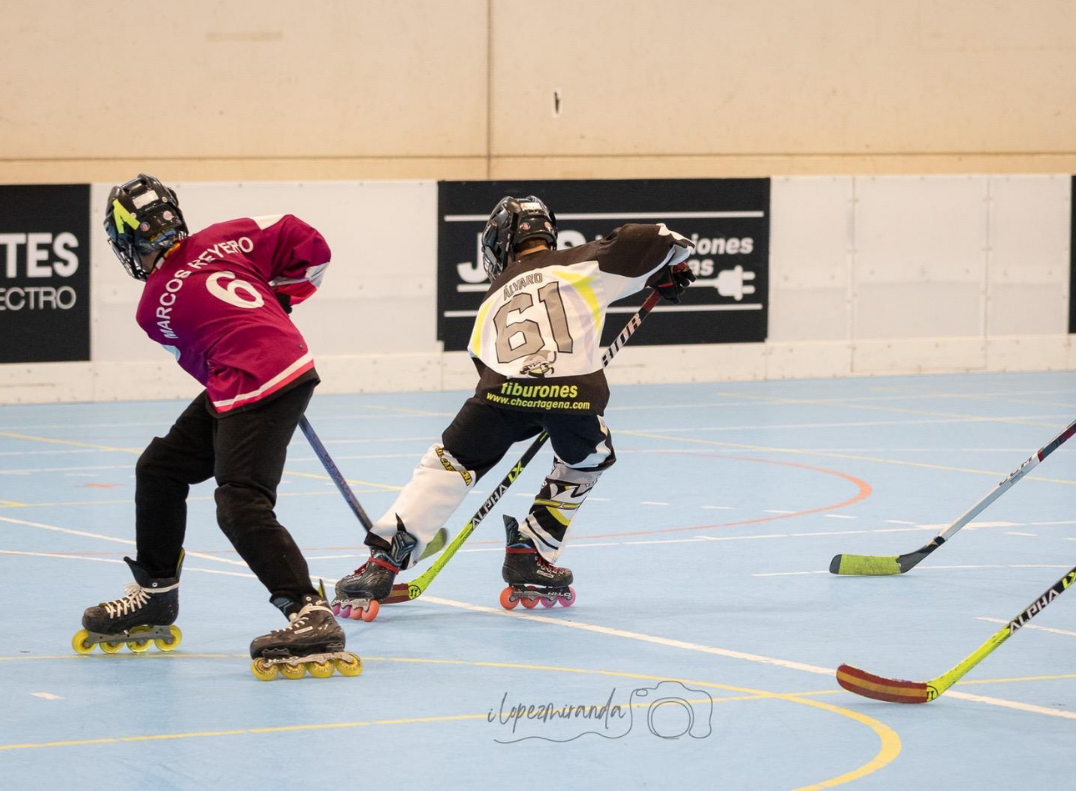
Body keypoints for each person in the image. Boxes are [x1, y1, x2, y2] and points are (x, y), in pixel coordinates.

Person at [333, 195, 695, 614]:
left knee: (450, 462)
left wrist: (525, 405)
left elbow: (482, 362)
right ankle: (531, 551)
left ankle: (383, 560)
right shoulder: (584, 261)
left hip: (500, 393)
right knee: (589, 459)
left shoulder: (493, 295)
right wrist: (670, 265)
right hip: (572, 394)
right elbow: (660, 237)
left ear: (499, 243)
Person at [73, 173, 358, 679]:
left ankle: (310, 612)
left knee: (239, 501)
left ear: (128, 241)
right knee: (160, 468)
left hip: (255, 381)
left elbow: (202, 359)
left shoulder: (151, 309)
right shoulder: (227, 237)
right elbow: (307, 241)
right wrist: (284, 293)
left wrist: (270, 309)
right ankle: (156, 592)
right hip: (260, 374)